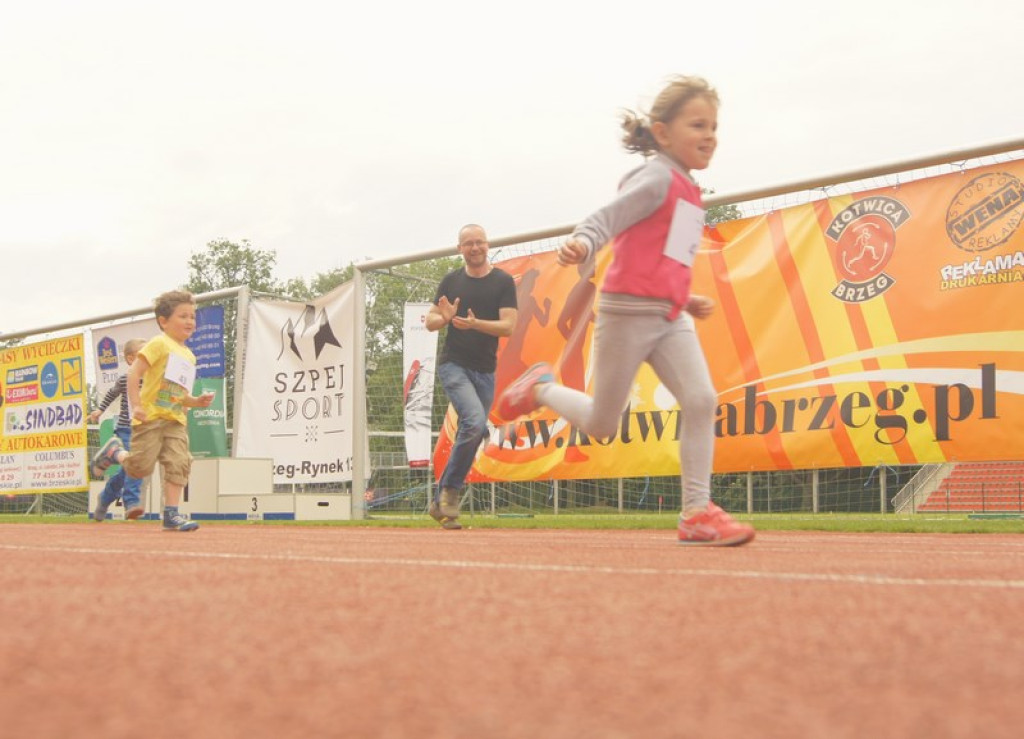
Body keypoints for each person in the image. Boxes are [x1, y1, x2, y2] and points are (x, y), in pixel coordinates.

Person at [497, 76, 754, 546]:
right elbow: (605, 219)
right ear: (662, 133)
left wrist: (686, 298)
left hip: (669, 316)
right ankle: (542, 389)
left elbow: (674, 259)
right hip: (626, 313)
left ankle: (697, 512)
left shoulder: (693, 194)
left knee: (701, 400)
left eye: (714, 126)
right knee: (602, 424)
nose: (710, 135)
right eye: (698, 124)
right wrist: (583, 242)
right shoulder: (655, 177)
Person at [91, 290, 215, 532]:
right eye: (183, 316)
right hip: (150, 418)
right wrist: (136, 405)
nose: (190, 321)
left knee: (180, 463)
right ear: (163, 321)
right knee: (140, 468)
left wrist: (196, 401)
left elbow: (179, 393)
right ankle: (115, 452)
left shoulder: (189, 356)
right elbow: (133, 373)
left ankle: (171, 514)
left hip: (175, 420)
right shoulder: (158, 344)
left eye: (192, 316)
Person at [425, 224, 518, 529]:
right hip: (454, 365)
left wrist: (476, 324)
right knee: (475, 422)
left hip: (485, 371)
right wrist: (446, 318)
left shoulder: (502, 281)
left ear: (487, 245)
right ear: (459, 249)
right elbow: (430, 321)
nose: (475, 248)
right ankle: (450, 493)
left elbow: (508, 327)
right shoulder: (451, 281)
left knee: (476, 431)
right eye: (468, 244)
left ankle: (441, 501)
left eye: (479, 242)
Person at [89, 337, 147, 522]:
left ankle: (105, 497)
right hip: (126, 428)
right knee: (135, 463)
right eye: (143, 355)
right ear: (131, 359)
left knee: (125, 471)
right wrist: (99, 410)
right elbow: (111, 394)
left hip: (145, 430)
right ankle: (131, 502)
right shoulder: (125, 379)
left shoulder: (153, 380)